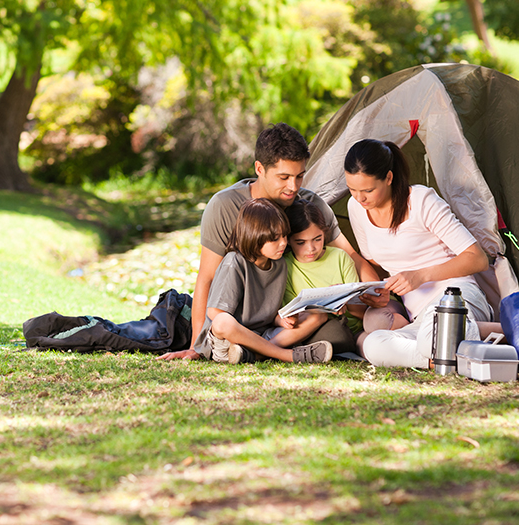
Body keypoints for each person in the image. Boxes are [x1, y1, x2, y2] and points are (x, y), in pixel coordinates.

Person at [159, 123, 381, 361]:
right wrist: (196, 347)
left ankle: (253, 351)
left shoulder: (309, 205)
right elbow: (207, 278)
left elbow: (353, 257)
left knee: (333, 332)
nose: (293, 187)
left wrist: (378, 294)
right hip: (240, 314)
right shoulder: (224, 206)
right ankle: (274, 353)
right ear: (259, 168)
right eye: (283, 177)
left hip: (280, 319)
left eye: (299, 176)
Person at [344, 139, 495, 368]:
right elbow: (377, 260)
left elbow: (477, 258)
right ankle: (439, 356)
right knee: (372, 342)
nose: (359, 197)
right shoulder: (356, 208)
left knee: (431, 333)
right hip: (420, 317)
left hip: (455, 296)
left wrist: (420, 276)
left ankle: (486, 335)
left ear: (389, 178)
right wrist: (382, 291)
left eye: (368, 190)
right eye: (352, 189)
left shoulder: (421, 201)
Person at [191, 198, 333, 364]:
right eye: (274, 239)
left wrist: (281, 319)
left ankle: (255, 355)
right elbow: (214, 313)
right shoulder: (234, 262)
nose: (283, 243)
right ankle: (287, 355)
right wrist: (245, 335)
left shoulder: (279, 264)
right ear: (254, 236)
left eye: (284, 236)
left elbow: (268, 313)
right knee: (223, 321)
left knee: (319, 316)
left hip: (262, 335)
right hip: (226, 342)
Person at [274, 199, 409, 355]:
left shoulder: (340, 257)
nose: (311, 248)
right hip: (338, 333)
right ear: (289, 240)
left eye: (317, 239)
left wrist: (344, 300)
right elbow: (296, 315)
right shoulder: (287, 267)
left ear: (324, 234)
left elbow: (361, 313)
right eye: (301, 242)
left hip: (363, 322)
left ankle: (412, 330)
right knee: (375, 350)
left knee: (377, 322)